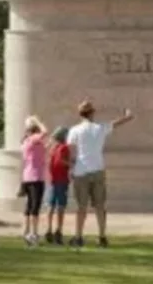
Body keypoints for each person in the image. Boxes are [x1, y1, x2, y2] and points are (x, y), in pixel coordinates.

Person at [66, 100, 135, 249]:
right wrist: (127, 117)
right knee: (100, 206)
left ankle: (78, 236)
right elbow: (115, 123)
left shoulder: (75, 130)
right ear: (92, 113)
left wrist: (71, 169)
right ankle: (102, 236)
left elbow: (71, 153)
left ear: (80, 114)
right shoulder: (100, 128)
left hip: (81, 171)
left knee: (81, 207)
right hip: (98, 169)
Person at [20, 115, 48, 246]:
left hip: (27, 177)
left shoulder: (26, 142)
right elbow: (45, 132)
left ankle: (26, 231)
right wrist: (39, 122)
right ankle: (34, 233)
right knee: (35, 207)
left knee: (29, 205)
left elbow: (40, 152)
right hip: (36, 177)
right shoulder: (33, 139)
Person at [45, 126, 70, 245]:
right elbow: (61, 161)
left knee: (51, 205)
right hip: (61, 180)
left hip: (53, 180)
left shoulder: (53, 148)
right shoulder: (64, 147)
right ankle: (58, 231)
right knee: (61, 206)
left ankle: (49, 229)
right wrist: (72, 164)